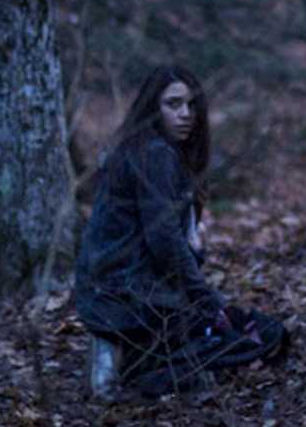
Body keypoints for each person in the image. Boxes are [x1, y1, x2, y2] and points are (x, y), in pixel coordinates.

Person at [74, 65, 288, 398]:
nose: (186, 114)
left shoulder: (139, 149)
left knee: (228, 331)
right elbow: (164, 240)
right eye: (173, 104)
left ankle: (128, 353)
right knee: (263, 335)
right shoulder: (154, 153)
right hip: (128, 296)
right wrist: (207, 299)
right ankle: (127, 357)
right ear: (152, 107)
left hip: (109, 293)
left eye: (191, 105)